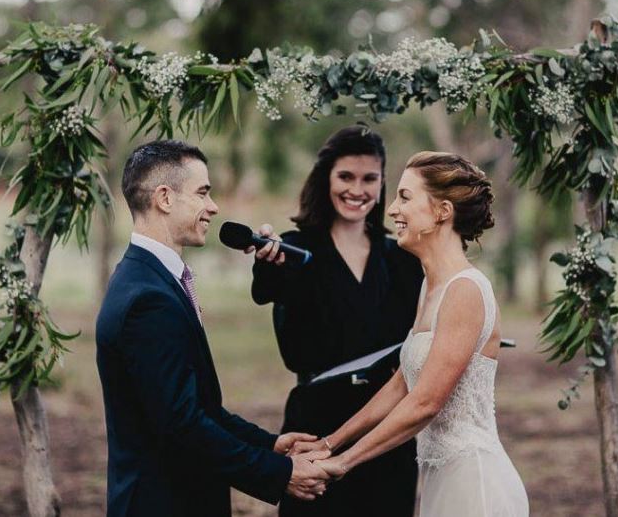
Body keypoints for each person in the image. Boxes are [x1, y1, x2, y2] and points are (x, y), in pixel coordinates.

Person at [95, 140, 330, 517]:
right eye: (203, 192)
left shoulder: (149, 279)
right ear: (165, 198)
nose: (213, 206)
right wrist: (279, 473)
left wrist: (269, 445)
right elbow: (181, 426)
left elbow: (198, 407)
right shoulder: (148, 300)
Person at [299, 151, 529, 517]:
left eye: (405, 197)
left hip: (474, 484)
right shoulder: (431, 287)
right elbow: (403, 382)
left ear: (442, 212)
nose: (391, 210)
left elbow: (426, 402)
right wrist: (330, 443)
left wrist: (344, 463)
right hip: (440, 478)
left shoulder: (465, 290)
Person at [250, 126, 422, 517]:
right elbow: (265, 290)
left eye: (369, 179)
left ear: (382, 185)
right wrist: (269, 262)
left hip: (385, 428)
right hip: (316, 423)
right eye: (346, 176)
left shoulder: (402, 257)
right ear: (326, 177)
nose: (356, 189)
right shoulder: (295, 247)